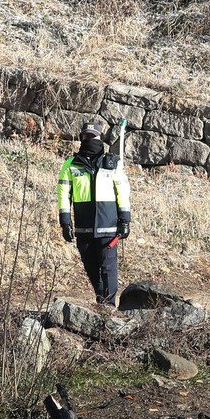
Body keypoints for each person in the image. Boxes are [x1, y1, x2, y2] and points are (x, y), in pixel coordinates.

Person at [57, 122, 131, 308]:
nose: (90, 139)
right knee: (91, 268)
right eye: (86, 136)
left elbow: (122, 192)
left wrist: (125, 220)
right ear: (82, 138)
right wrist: (65, 222)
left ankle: (109, 307)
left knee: (107, 267)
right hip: (84, 226)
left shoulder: (112, 163)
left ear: (100, 138)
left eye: (93, 136)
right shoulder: (70, 164)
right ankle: (101, 301)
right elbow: (63, 194)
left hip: (109, 226)